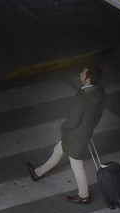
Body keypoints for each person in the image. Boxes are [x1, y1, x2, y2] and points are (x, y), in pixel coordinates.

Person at [28, 65, 106, 204]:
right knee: (58, 151)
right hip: (84, 132)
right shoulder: (99, 92)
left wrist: (63, 127)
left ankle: (84, 195)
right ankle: (38, 172)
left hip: (75, 136)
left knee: (77, 165)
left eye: (83, 73)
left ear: (88, 80)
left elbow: (73, 121)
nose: (80, 74)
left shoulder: (83, 99)